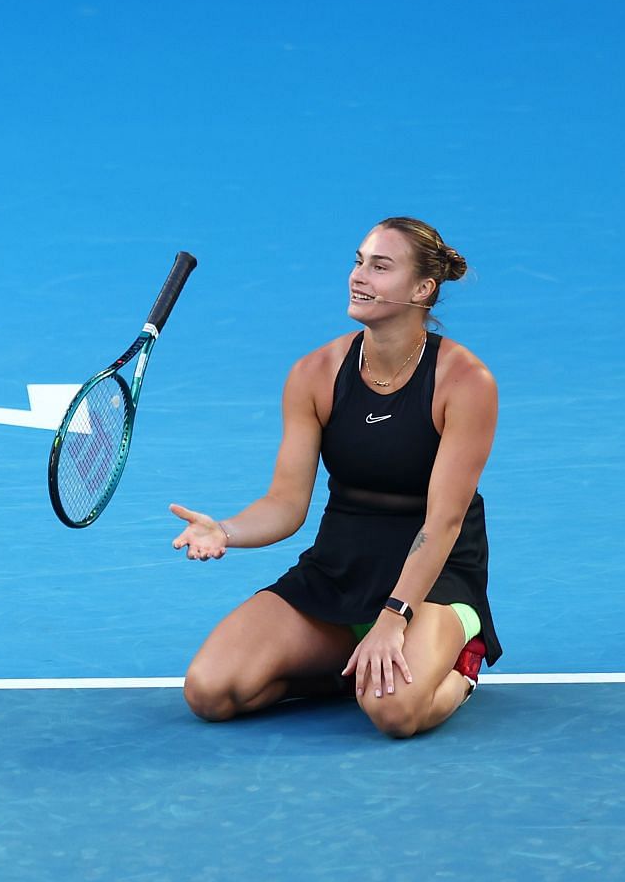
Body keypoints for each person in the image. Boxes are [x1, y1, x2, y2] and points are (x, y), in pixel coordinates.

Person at [171, 217, 499, 737]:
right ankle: (354, 660)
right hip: (339, 568)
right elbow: (285, 502)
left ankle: (462, 660)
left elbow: (444, 521)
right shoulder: (315, 374)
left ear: (423, 289)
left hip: (433, 576)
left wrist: (394, 616)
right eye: (359, 261)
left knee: (392, 712)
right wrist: (226, 531)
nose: (359, 276)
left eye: (381, 266)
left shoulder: (464, 382)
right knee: (211, 691)